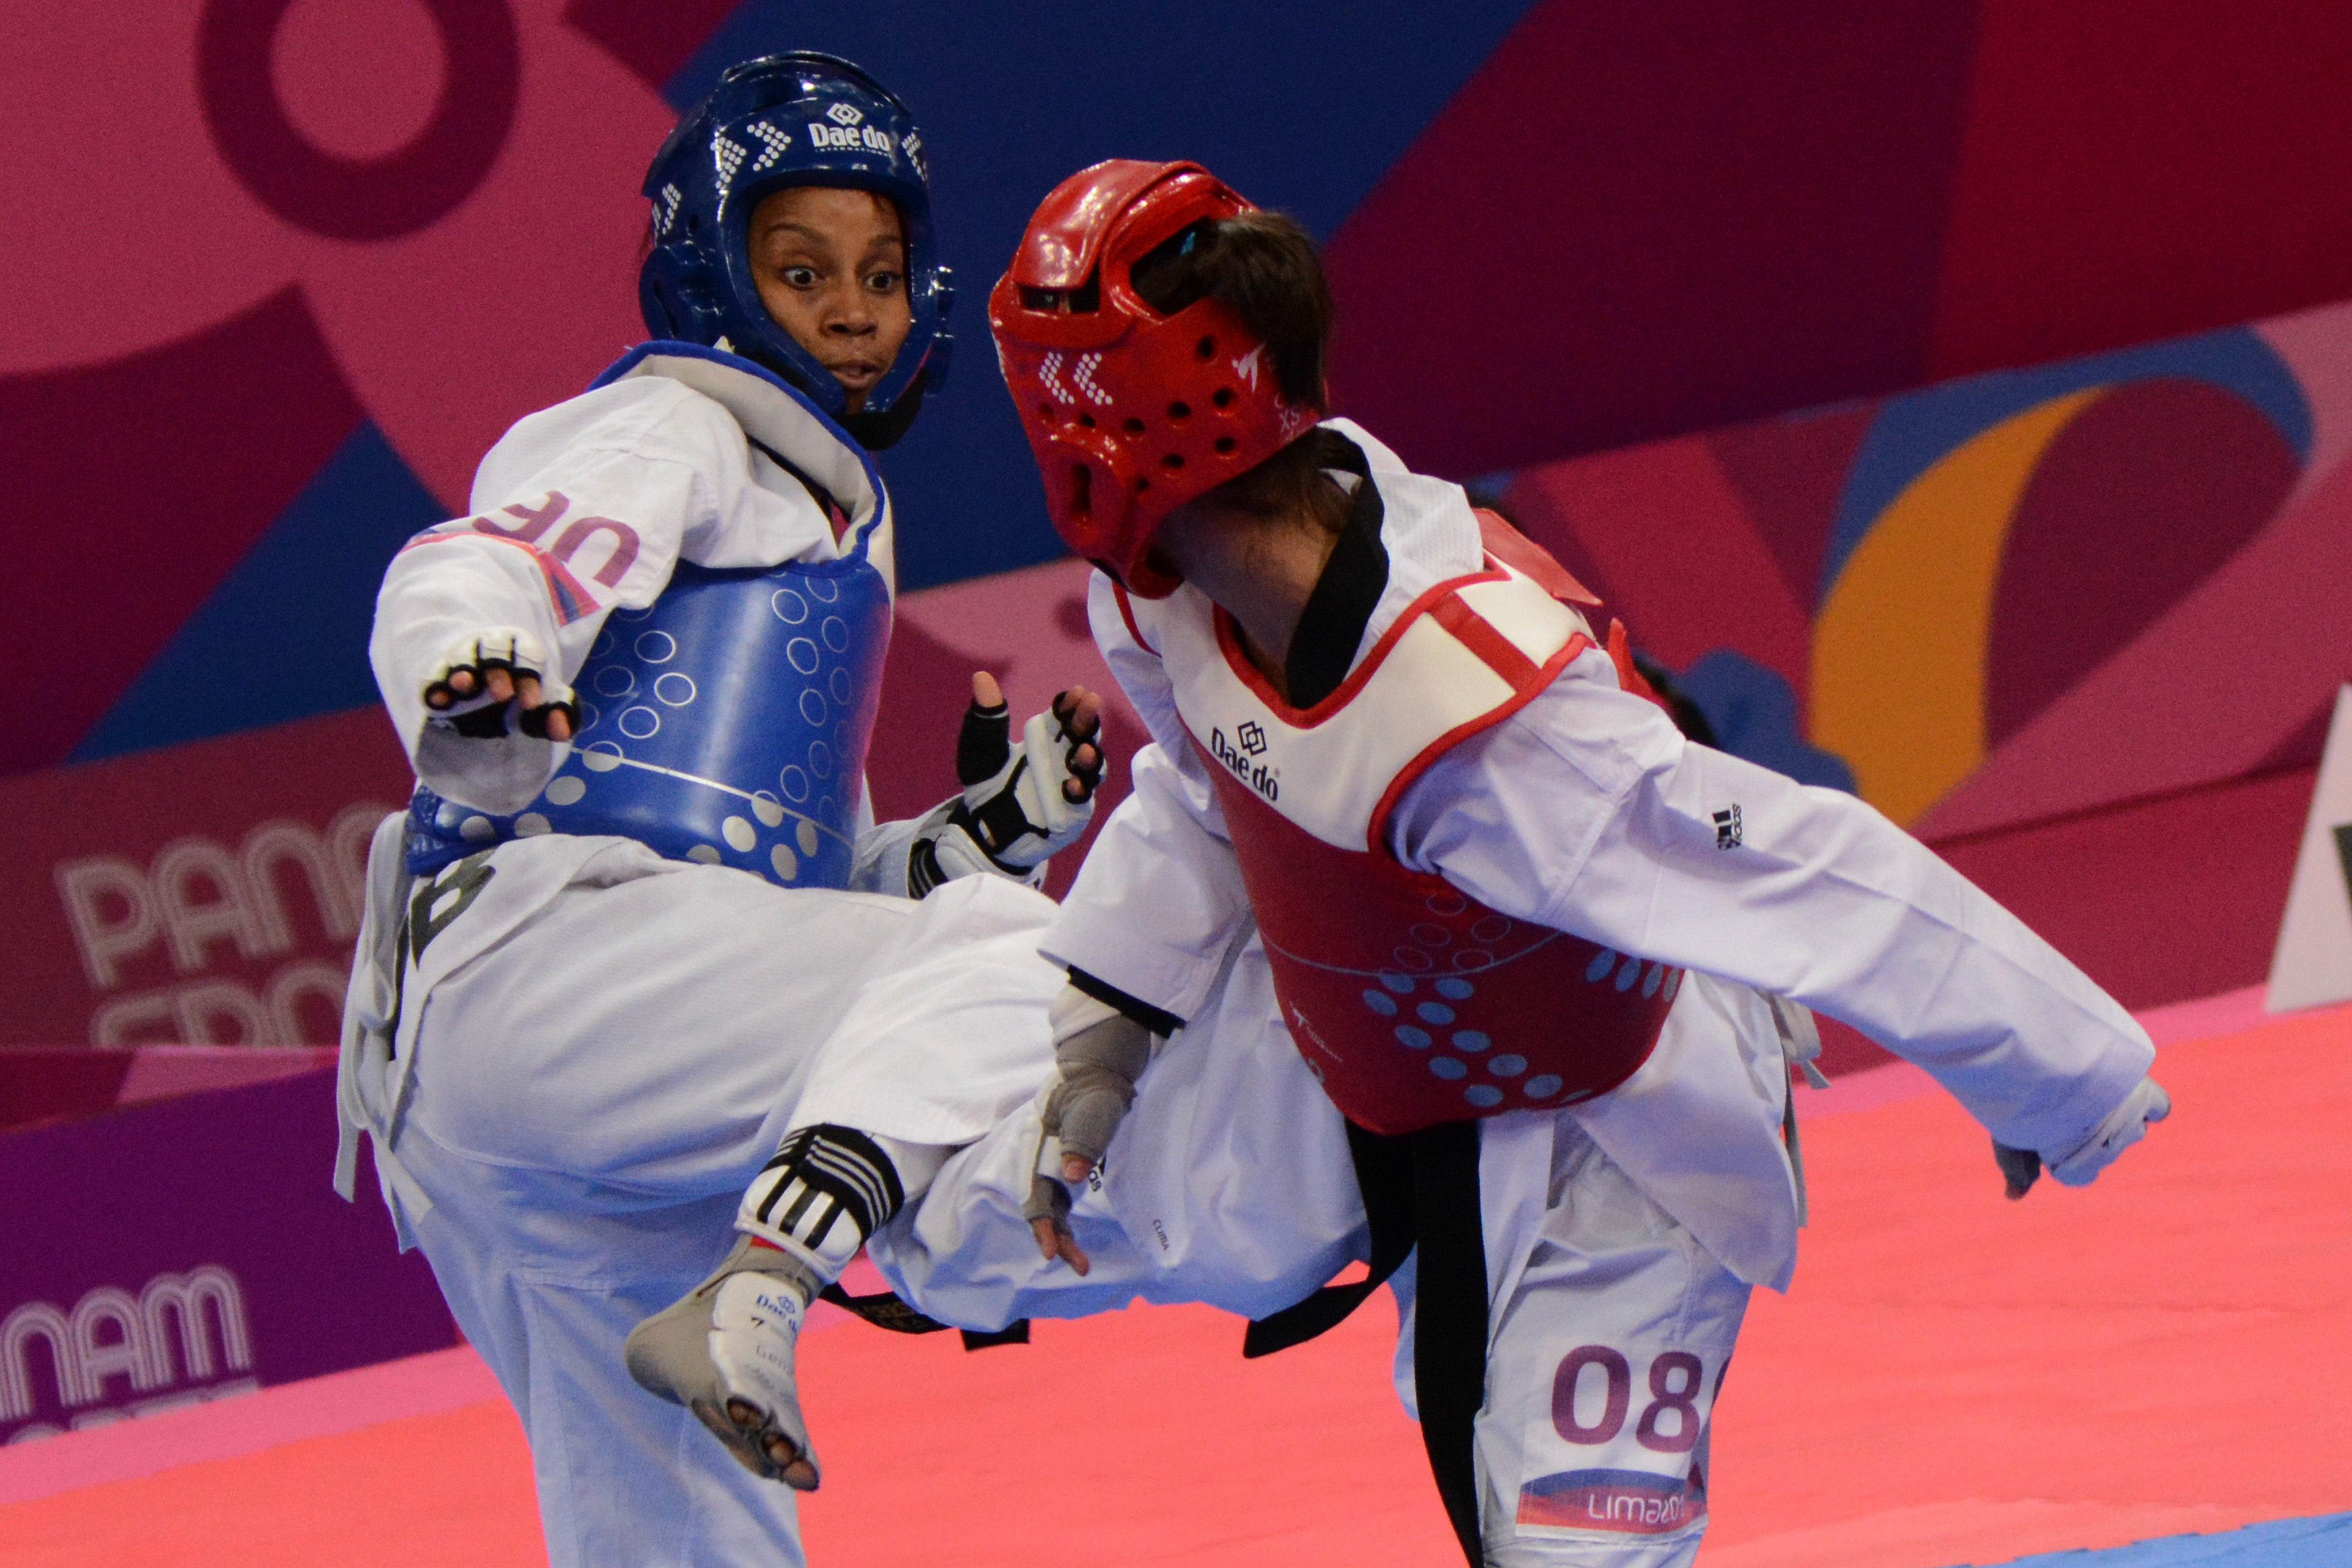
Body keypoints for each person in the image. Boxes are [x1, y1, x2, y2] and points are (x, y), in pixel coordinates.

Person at [867, 159, 2172, 1568]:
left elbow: (1804, 871)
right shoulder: (1161, 586)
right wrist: (1106, 1038)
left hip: (1623, 1135)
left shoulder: (1476, 726)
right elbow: (1206, 794)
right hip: (1373, 1060)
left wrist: (2055, 1078)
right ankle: (808, 1207)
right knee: (986, 1199)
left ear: (1094, 424)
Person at [335, 56, 1105, 1567]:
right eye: (801, 266)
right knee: (1052, 973)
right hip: (551, 971)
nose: (853, 307)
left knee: (686, 1542)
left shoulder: (826, 527)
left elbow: (795, 906)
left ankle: (763, 1277)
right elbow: (468, 566)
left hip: (554, 1100)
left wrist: (982, 833)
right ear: (711, 272)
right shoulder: (677, 430)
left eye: (880, 272)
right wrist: (474, 674)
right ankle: (798, 1255)